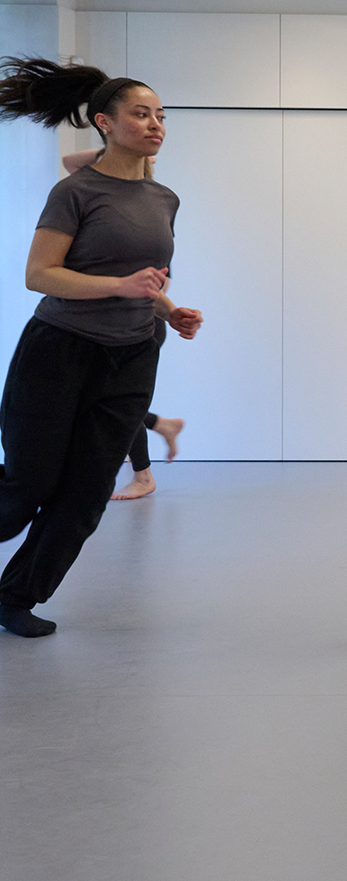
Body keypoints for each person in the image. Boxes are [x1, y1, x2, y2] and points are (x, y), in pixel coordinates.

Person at [0, 59, 202, 638]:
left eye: (160, 115)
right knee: (27, 488)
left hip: (132, 356)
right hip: (59, 350)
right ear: (104, 123)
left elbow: (145, 277)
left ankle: (15, 598)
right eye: (141, 114)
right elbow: (40, 275)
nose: (155, 124)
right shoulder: (75, 191)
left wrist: (169, 309)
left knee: (87, 495)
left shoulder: (164, 198)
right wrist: (119, 286)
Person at [61, 147, 184, 500]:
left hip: (139, 326)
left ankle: (144, 473)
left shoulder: (153, 219)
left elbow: (158, 289)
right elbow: (71, 162)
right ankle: (160, 427)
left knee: (116, 402)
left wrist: (134, 154)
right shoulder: (103, 210)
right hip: (107, 326)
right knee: (106, 399)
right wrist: (120, 148)